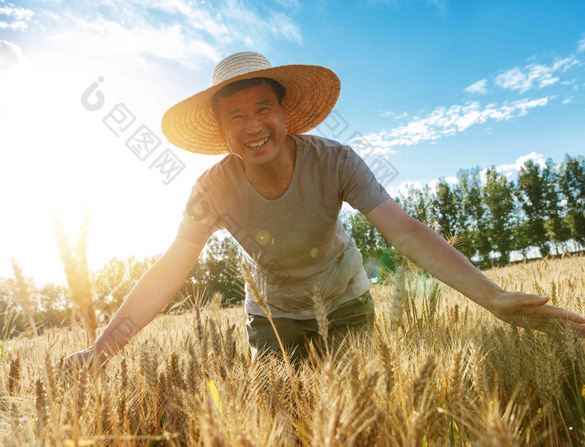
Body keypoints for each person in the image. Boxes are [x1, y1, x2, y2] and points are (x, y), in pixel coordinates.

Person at [63, 51, 585, 370]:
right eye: (237, 116)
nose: (253, 126)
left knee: (364, 410)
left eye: (263, 108)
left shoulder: (335, 161)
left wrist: (493, 297)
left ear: (284, 112)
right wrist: (102, 351)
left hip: (347, 302)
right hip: (273, 318)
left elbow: (405, 233)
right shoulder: (212, 188)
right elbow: (168, 271)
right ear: (221, 132)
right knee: (281, 425)